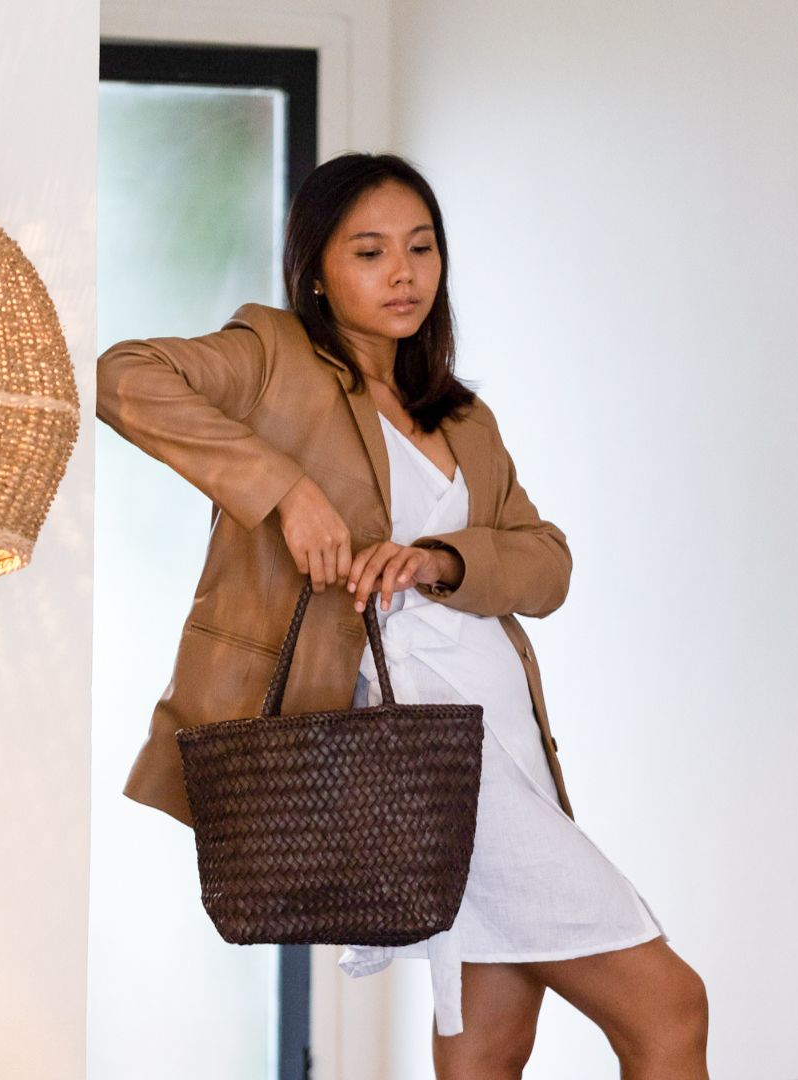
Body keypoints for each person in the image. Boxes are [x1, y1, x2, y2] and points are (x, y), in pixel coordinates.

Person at [96, 151, 710, 1079]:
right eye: (372, 251)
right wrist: (286, 489)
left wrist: (442, 559)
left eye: (421, 248)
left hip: (500, 737)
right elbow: (122, 376)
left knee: (492, 1042)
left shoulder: (463, 417)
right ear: (317, 269)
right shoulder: (274, 357)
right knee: (668, 1004)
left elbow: (547, 566)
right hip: (417, 747)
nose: (404, 273)